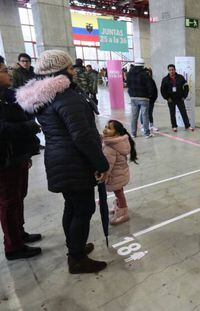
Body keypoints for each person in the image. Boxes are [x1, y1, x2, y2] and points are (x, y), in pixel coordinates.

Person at [16, 50, 109, 274]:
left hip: (59, 158)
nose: (74, 72)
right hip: (74, 161)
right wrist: (101, 164)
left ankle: (74, 248)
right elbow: (81, 136)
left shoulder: (46, 97)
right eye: (69, 68)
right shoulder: (66, 97)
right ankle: (76, 259)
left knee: (73, 205)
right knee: (83, 209)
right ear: (59, 72)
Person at [0, 55, 42, 260]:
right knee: (9, 201)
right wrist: (29, 126)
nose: (8, 73)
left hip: (18, 154)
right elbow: (3, 129)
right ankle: (13, 246)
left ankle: (19, 232)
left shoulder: (7, 94)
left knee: (18, 196)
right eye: (3, 70)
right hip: (6, 159)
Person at [102, 120, 138, 225]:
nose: (105, 129)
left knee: (119, 193)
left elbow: (108, 165)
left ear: (116, 133)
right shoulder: (119, 142)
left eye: (109, 128)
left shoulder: (110, 147)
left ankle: (123, 212)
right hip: (121, 173)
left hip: (115, 175)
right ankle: (119, 205)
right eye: (105, 126)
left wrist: (105, 177)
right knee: (119, 191)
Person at [127, 59, 154, 139]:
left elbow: (128, 85)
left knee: (134, 116)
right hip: (144, 98)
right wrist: (149, 95)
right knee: (145, 116)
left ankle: (133, 133)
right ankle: (146, 133)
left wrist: (131, 94)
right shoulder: (145, 74)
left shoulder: (129, 74)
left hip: (133, 97)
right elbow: (150, 86)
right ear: (143, 65)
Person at [161, 64, 193, 132]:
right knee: (172, 113)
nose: (171, 71)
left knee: (183, 112)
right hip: (170, 99)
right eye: (170, 70)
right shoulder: (165, 79)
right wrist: (167, 98)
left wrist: (184, 96)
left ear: (175, 70)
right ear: (168, 71)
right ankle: (174, 126)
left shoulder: (180, 77)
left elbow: (186, 87)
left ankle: (187, 126)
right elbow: (162, 90)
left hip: (179, 98)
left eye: (173, 70)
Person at [143, 67, 158, 131]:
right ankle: (143, 126)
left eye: (149, 72)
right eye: (147, 72)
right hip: (145, 99)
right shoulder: (143, 81)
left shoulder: (151, 80)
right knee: (144, 113)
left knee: (149, 112)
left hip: (151, 100)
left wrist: (154, 98)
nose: (148, 73)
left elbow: (154, 90)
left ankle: (151, 125)